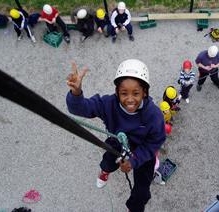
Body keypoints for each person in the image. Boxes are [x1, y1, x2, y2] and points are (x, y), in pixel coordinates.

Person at [66, 59, 166, 212]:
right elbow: (81, 109)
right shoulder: (108, 104)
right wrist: (76, 93)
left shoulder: (154, 115)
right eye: (124, 93)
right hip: (117, 143)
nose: (130, 99)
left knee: (142, 190)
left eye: (136, 93)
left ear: (145, 92)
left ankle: (133, 209)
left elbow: (155, 142)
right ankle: (105, 171)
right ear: (117, 92)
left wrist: (133, 161)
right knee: (108, 161)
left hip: (143, 149)